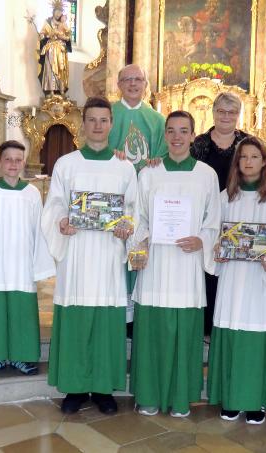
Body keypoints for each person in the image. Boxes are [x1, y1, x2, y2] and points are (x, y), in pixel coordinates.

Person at [41, 96, 139, 414]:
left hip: (109, 255)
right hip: (77, 255)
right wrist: (62, 221)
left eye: (104, 120)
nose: (97, 126)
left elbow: (134, 209)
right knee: (76, 320)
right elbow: (55, 202)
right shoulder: (66, 164)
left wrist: (128, 226)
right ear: (83, 124)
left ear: (112, 124)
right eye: (92, 120)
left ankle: (102, 388)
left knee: (107, 322)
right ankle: (74, 386)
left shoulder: (124, 167)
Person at [129, 111, 221, 418]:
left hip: (187, 267)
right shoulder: (149, 174)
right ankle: (149, 396)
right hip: (155, 266)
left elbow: (214, 220)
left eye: (184, 131)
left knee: (184, 336)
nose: (177, 137)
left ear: (193, 135)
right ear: (165, 136)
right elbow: (137, 216)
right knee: (152, 334)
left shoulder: (206, 175)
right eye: (171, 131)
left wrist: (202, 241)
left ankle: (181, 398)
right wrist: (141, 245)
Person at [207, 136, 266, 425]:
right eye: (243, 157)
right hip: (233, 279)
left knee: (256, 340)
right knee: (233, 334)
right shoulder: (226, 197)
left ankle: (256, 401)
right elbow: (214, 236)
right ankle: (232, 399)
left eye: (254, 157)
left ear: (264, 161)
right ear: (237, 162)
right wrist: (218, 251)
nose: (248, 162)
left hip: (261, 281)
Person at [0, 140, 56, 378]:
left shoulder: (32, 193)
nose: (13, 164)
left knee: (22, 312)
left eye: (18, 159)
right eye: (8, 159)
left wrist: (39, 266)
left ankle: (21, 357)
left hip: (22, 265)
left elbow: (39, 230)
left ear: (24, 163)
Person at [109, 63, 169, 334]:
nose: (133, 84)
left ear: (146, 84)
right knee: (113, 256)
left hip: (144, 198)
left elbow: (164, 157)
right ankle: (116, 311)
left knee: (140, 250)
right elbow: (98, 148)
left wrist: (158, 160)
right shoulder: (107, 114)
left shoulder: (157, 120)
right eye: (127, 79)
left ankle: (137, 315)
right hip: (115, 196)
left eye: (138, 79)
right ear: (118, 84)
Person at [190, 92, 252, 337]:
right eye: (221, 111)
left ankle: (226, 321)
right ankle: (205, 325)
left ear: (238, 115)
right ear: (213, 113)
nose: (226, 117)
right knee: (206, 267)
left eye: (232, 112)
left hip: (237, 214)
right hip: (204, 215)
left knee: (229, 269)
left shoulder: (247, 144)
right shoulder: (199, 143)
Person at [38, 4, 72, 96]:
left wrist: (66, 38)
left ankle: (61, 90)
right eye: (57, 12)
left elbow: (69, 36)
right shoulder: (48, 23)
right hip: (51, 49)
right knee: (51, 69)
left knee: (61, 69)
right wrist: (48, 35)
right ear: (53, 12)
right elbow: (41, 35)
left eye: (60, 12)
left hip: (61, 50)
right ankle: (51, 90)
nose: (58, 14)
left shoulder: (63, 24)